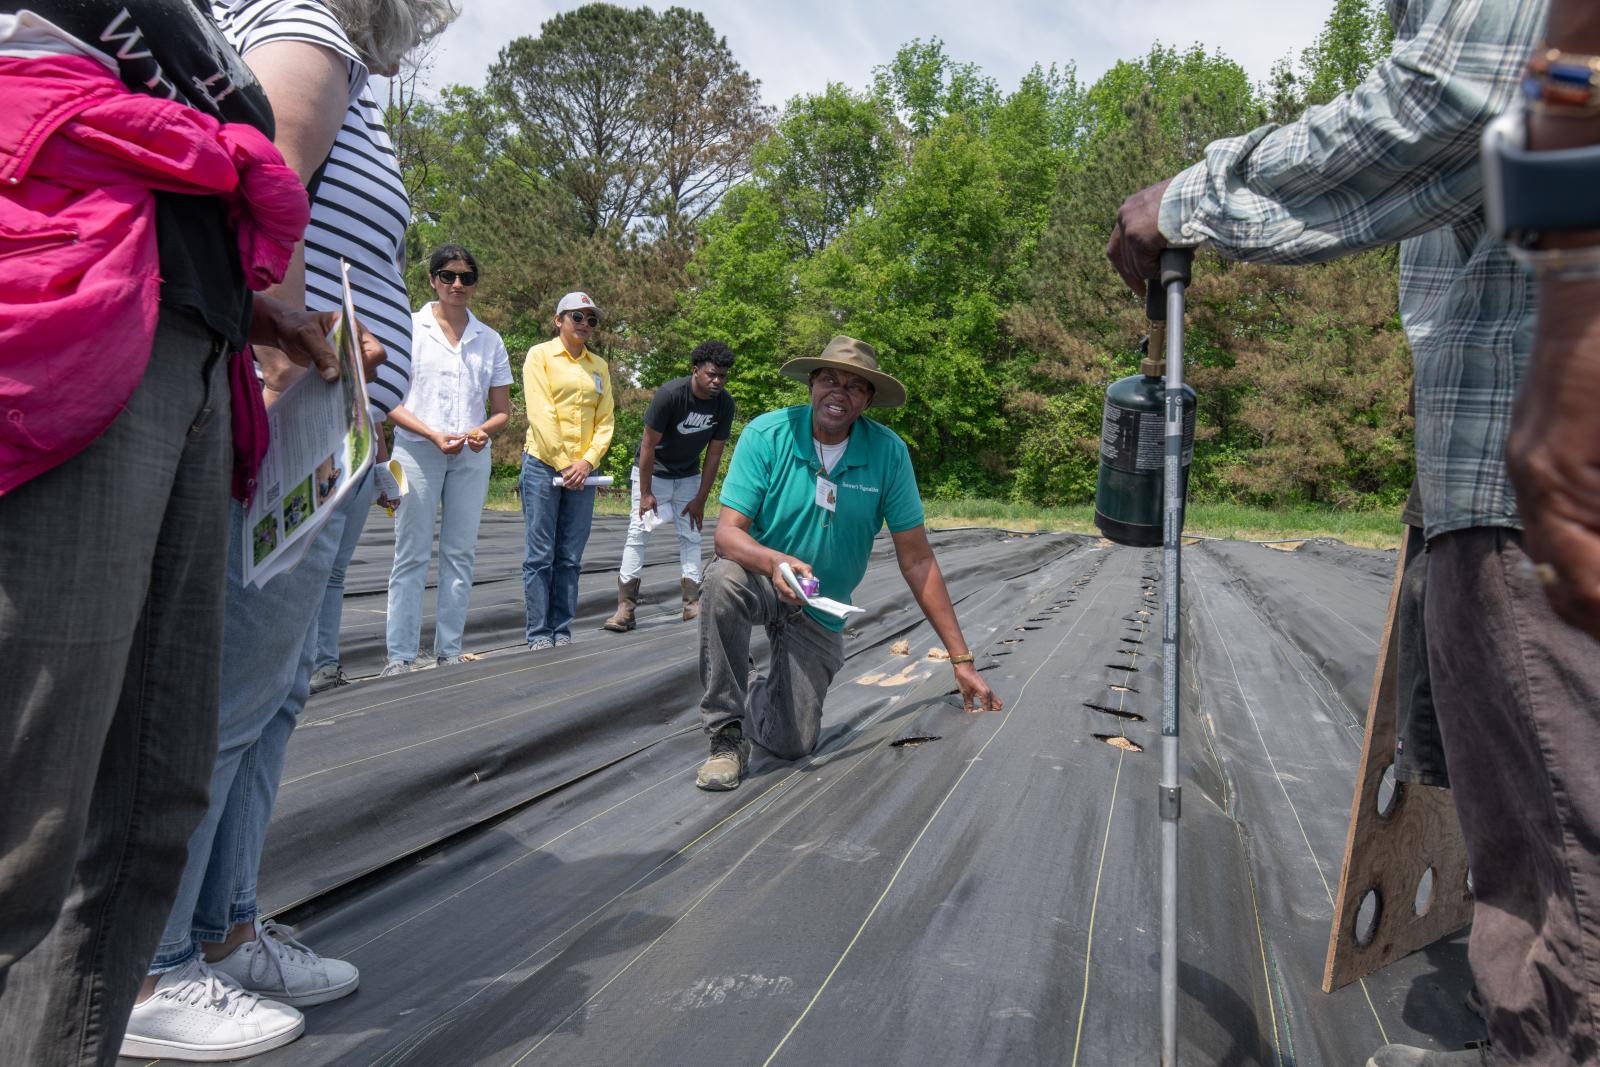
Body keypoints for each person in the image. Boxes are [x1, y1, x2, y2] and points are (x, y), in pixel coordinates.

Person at [1104, 2, 1600, 1063]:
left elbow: (1458, 99)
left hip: (1544, 472)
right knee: (1534, 852)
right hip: (1509, 465)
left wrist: (1193, 198)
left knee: (1565, 880)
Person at [0, 3, 342, 1064]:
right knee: (29, 805)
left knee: (153, 794)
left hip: (197, 347)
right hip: (78, 329)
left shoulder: (201, 29)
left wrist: (256, 305)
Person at [120, 0, 453, 1061]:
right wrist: (276, 383)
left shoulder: (336, 52)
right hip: (295, 410)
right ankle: (150, 962)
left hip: (335, 420)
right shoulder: (308, 24)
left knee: (277, 687)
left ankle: (224, 925)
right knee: (226, 685)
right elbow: (268, 197)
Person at [694, 336, 1002, 792]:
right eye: (829, 380)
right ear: (812, 384)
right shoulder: (767, 435)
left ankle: (755, 687)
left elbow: (917, 559)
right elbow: (726, 535)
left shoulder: (888, 453)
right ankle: (726, 734)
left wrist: (962, 660)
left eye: (855, 387)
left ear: (868, 400)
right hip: (763, 578)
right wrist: (775, 562)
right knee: (723, 581)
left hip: (820, 603)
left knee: (792, 742)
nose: (839, 393)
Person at [382, 244, 512, 674]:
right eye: (448, 275)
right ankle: (400, 656)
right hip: (416, 451)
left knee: (460, 553)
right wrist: (432, 434)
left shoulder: (489, 339)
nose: (457, 284)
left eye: (466, 277)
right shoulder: (408, 328)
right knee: (411, 553)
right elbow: (389, 401)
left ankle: (449, 651)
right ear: (432, 280)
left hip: (470, 456)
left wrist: (484, 430)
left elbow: (502, 411)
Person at [603, 340, 737, 632]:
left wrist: (701, 498)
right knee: (638, 534)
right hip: (653, 473)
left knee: (691, 535)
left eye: (722, 376)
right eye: (711, 374)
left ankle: (692, 604)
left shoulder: (724, 404)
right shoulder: (671, 395)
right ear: (695, 370)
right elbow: (648, 445)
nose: (717, 381)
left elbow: (714, 454)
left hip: (687, 476)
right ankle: (625, 609)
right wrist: (646, 492)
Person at [521, 291, 615, 650]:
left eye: (591, 319)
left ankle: (561, 630)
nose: (585, 324)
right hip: (543, 465)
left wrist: (587, 461)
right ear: (558, 320)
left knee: (571, 556)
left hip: (584, 471)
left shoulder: (599, 366)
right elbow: (540, 413)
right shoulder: (540, 356)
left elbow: (605, 421)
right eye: (577, 316)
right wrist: (564, 462)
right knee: (540, 554)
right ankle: (538, 633)